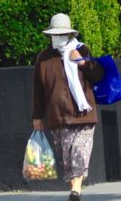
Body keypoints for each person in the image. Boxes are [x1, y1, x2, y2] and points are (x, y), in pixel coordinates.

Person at [32, 13, 103, 201]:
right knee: (67, 161)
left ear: (70, 34)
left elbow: (97, 75)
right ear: (50, 36)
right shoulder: (44, 58)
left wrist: (82, 62)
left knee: (80, 153)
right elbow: (38, 89)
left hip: (83, 114)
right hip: (57, 116)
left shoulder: (81, 49)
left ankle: (76, 190)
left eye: (63, 34)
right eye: (56, 34)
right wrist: (37, 116)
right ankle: (75, 191)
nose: (59, 37)